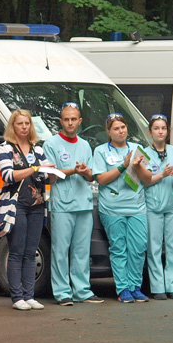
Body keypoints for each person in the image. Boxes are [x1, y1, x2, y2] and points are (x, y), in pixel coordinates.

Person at [43, 102, 103, 306]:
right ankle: (62, 292)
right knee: (60, 250)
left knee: (81, 251)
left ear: (80, 121)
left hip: (83, 204)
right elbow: (50, 176)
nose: (70, 123)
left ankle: (82, 291)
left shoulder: (85, 145)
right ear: (60, 121)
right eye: (66, 119)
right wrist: (72, 170)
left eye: (73, 119)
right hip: (62, 205)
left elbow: (91, 176)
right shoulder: (51, 144)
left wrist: (86, 172)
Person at [92, 113, 151, 303]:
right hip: (112, 207)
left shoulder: (137, 148)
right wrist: (123, 166)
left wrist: (137, 166)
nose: (121, 131)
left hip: (136, 205)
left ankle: (135, 287)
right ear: (108, 132)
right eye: (116, 128)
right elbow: (100, 179)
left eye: (123, 127)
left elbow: (147, 178)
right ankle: (123, 288)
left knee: (139, 247)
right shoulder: (101, 151)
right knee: (119, 248)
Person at [0, 109, 49, 311]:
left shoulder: (37, 149)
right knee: (17, 251)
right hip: (16, 205)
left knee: (31, 251)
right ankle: (16, 296)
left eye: (27, 123)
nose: (24, 127)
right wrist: (35, 169)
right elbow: (8, 175)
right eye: (20, 123)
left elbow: (44, 174)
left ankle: (30, 295)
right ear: (13, 126)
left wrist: (51, 174)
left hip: (36, 205)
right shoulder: (6, 147)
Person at [142, 114, 173, 300]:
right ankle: (158, 287)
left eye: (163, 128)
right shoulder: (143, 153)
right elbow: (143, 182)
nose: (160, 131)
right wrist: (162, 173)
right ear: (150, 132)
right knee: (153, 248)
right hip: (152, 206)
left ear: (168, 131)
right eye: (156, 128)